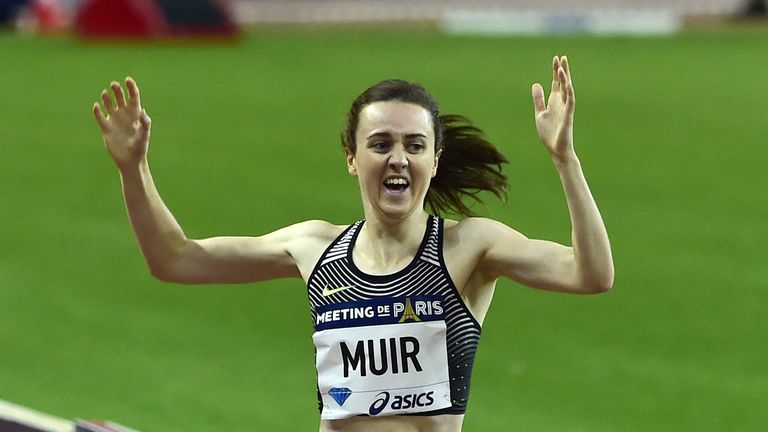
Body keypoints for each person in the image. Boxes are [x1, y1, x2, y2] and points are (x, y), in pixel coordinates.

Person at [93, 55, 613, 432]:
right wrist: (133, 169)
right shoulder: (314, 249)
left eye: (415, 146)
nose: (398, 159)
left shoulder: (468, 248)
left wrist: (565, 159)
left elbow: (590, 275)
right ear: (350, 157)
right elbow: (175, 260)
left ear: (434, 159)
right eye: (380, 144)